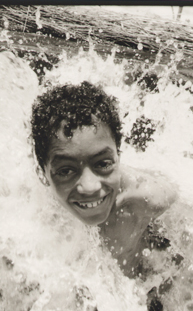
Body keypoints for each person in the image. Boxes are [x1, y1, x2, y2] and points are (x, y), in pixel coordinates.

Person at [31, 81, 178, 277]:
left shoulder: (144, 199)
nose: (89, 187)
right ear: (42, 174)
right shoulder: (28, 212)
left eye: (102, 164)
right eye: (66, 171)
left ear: (118, 156)